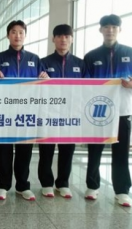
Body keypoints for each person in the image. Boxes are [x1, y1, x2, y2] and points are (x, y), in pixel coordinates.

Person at [83, 14, 132, 207]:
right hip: (98, 111)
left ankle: (121, 191)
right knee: (94, 150)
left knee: (121, 152)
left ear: (119, 29)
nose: (110, 30)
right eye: (106, 27)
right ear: (100, 30)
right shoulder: (91, 56)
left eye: (114, 27)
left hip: (122, 111)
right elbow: (84, 85)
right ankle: (92, 186)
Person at [0, 20, 48, 201]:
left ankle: (23, 185)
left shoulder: (34, 59)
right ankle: (3, 185)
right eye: (13, 32)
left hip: (27, 112)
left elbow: (45, 84)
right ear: (8, 35)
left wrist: (45, 77)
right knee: (4, 149)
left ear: (25, 35)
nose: (17, 35)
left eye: (21, 32)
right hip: (5, 111)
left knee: (25, 150)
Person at [38, 24, 88, 199]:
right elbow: (36, 89)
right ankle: (46, 183)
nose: (63, 39)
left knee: (67, 150)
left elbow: (88, 89)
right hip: (49, 113)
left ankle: (63, 183)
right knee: (46, 150)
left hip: (71, 114)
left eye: (67, 36)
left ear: (72, 39)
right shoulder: (43, 62)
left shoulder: (80, 64)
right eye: (59, 36)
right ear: (53, 39)